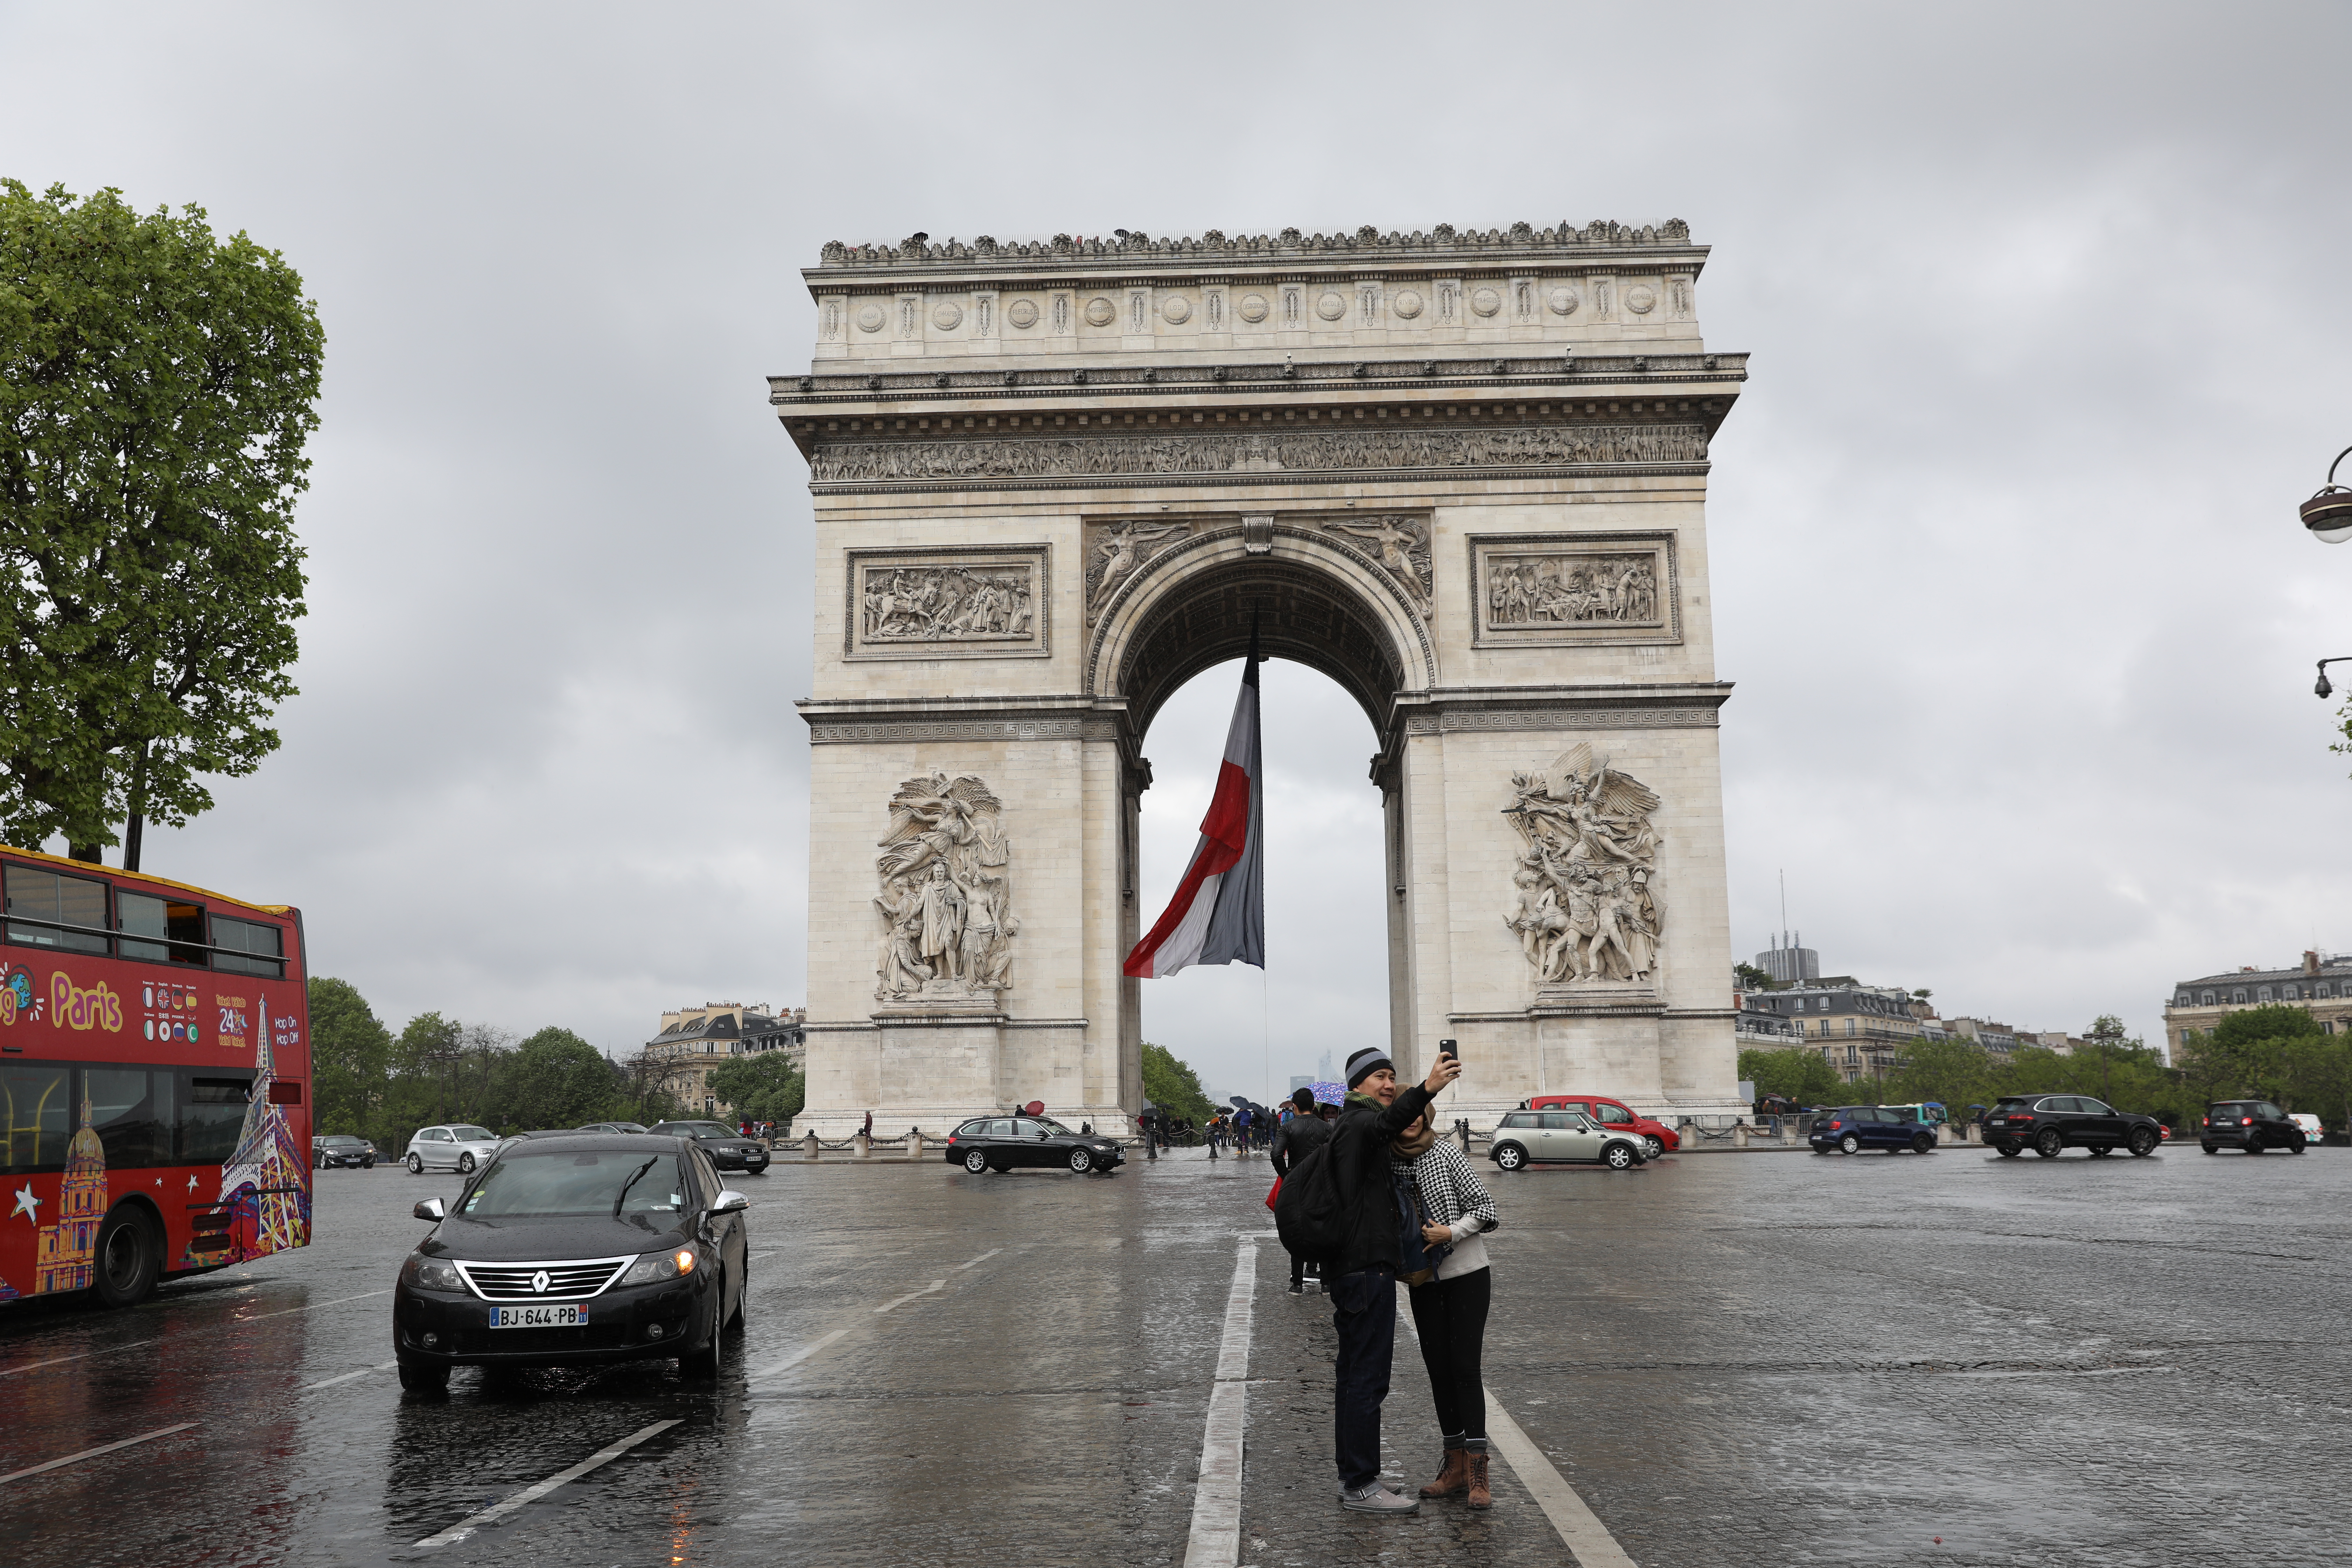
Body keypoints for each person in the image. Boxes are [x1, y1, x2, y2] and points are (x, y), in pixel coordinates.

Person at [1324, 1044, 1462, 1514]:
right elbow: (1388, 1125)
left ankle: (1356, 1476)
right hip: (1365, 1269)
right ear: (1357, 1085)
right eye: (1381, 1077)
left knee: (1353, 1378)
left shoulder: (1351, 1127)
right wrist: (1427, 1089)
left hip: (1356, 1267)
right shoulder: (1362, 1123)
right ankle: (1361, 1485)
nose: (1388, 1084)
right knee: (1367, 1377)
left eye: (1393, 1077)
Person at [1395, 1111, 1501, 1510]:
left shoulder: (1447, 1153)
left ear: (1427, 1117)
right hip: (1423, 1279)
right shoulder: (1388, 1159)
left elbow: (1486, 1206)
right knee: (1438, 1370)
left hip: (1467, 1273)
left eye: (1415, 1113)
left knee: (1465, 1368)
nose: (1409, 1120)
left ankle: (1478, 1471)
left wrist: (1450, 1232)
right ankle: (1454, 1466)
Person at [1272, 1086, 1332, 1294]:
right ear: (1314, 1106)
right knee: (1323, 1229)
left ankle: (1297, 1283)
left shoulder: (1287, 1128)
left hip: (1296, 1185)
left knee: (1297, 1230)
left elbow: (1276, 1154)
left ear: (1295, 1107)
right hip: (1322, 1184)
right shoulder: (1327, 1129)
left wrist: (1288, 1176)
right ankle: (1326, 1283)